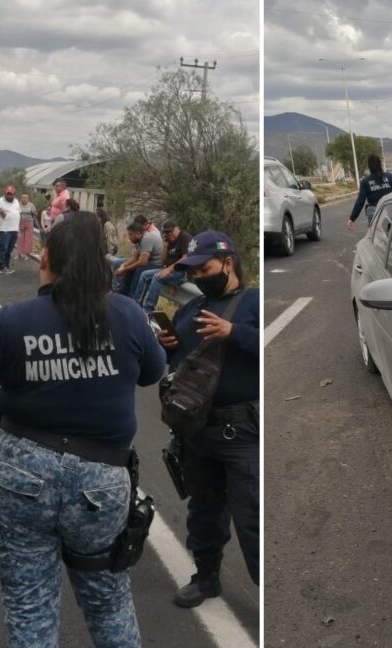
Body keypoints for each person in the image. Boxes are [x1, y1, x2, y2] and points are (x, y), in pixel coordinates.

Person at [0, 215, 165, 647]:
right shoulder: (128, 314)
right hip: (101, 484)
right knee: (109, 603)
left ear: (46, 258)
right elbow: (152, 373)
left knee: (29, 605)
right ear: (102, 264)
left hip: (20, 480)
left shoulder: (10, 321)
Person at [155, 231, 259, 608]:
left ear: (228, 264)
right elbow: (180, 364)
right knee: (204, 511)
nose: (198, 277)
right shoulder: (192, 306)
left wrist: (234, 333)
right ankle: (206, 578)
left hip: (241, 431)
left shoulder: (253, 302)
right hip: (196, 430)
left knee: (252, 518)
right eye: (193, 272)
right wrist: (166, 345)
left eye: (205, 269)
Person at [135, 220, 192, 313]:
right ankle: (136, 305)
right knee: (144, 274)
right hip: (168, 269)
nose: (169, 234)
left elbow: (185, 258)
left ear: (177, 229)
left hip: (181, 272)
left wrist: (168, 270)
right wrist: (165, 246)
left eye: (171, 231)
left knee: (157, 277)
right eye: (166, 232)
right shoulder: (169, 241)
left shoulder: (185, 238)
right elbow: (162, 260)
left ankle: (148, 310)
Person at [347, 154, 392, 231]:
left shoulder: (365, 181)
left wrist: (352, 218)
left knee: (375, 234)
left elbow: (360, 201)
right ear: (380, 164)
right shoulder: (391, 177)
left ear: (369, 167)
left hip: (374, 211)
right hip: (391, 209)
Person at [111, 217, 163, 300]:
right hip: (148, 262)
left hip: (156, 264)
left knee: (138, 270)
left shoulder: (146, 239)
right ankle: (124, 293)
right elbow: (135, 257)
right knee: (129, 269)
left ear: (138, 233)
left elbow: (142, 262)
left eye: (130, 235)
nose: (129, 237)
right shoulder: (139, 240)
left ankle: (133, 297)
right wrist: (123, 266)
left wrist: (125, 269)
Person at [0, 185, 22, 274]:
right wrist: (0, 211)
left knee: (9, 250)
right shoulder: (0, 200)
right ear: (5, 193)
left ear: (14, 194)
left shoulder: (16, 201)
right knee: (3, 248)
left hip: (14, 230)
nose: (9, 195)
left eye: (11, 194)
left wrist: (19, 227)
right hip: (5, 230)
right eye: (8, 194)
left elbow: (18, 213)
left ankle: (6, 266)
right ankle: (1, 268)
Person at [16, 193, 38, 261]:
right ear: (21, 198)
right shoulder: (18, 204)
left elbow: (35, 213)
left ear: (28, 199)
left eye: (25, 198)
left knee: (28, 240)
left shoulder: (31, 205)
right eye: (23, 197)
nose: (24, 199)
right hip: (20, 224)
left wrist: (34, 213)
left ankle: (26, 255)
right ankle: (19, 254)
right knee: (20, 239)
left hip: (29, 223)